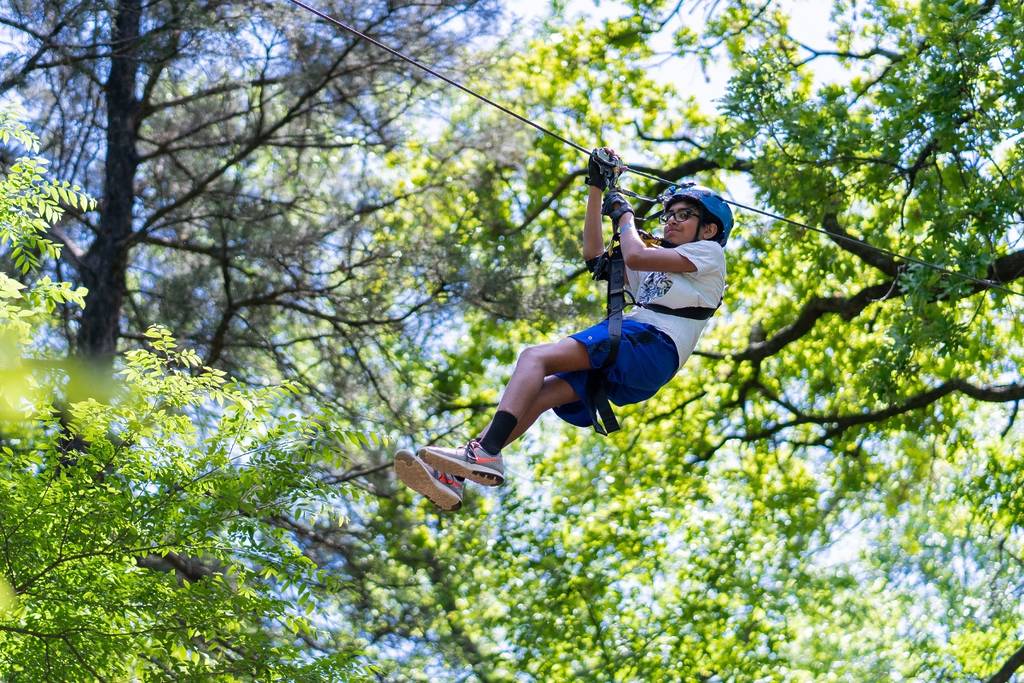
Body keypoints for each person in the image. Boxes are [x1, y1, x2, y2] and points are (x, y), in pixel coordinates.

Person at [395, 148, 732, 511]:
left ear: (709, 229)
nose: (671, 221)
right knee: (540, 395)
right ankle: (455, 476)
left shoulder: (709, 255)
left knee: (535, 357)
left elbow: (633, 254)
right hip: (641, 357)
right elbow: (595, 258)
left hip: (649, 345)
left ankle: (484, 452)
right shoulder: (660, 267)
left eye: (684, 215)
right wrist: (597, 190)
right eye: (669, 215)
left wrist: (626, 215)